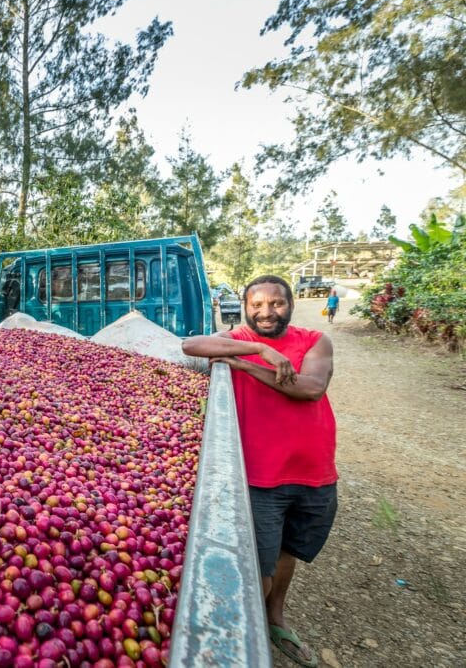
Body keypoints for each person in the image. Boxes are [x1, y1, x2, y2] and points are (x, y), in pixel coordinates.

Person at [181, 275, 337, 668]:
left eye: (277, 303)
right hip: (262, 475)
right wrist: (257, 351)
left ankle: (275, 618)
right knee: (259, 564)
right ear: (245, 306)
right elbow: (190, 345)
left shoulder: (315, 340)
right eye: (258, 305)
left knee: (290, 551)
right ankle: (239, 643)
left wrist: (243, 367)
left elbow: (311, 388)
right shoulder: (235, 337)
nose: (267, 311)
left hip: (314, 470)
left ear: (291, 304)